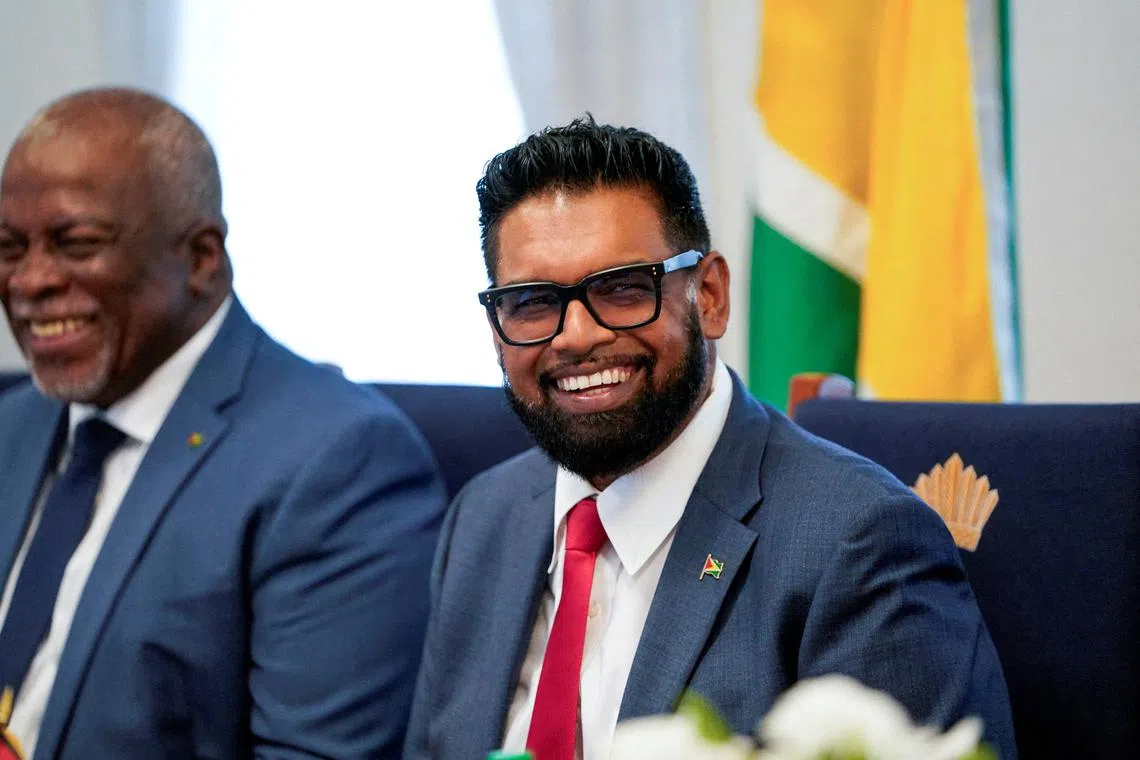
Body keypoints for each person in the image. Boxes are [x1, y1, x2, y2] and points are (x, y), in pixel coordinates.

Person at [404, 117, 1017, 760]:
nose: (576, 335)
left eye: (621, 289)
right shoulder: (483, 518)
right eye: (532, 301)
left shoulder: (856, 542)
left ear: (712, 297)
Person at [0, 88, 446, 759]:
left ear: (202, 258)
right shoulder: (12, 426)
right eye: (9, 248)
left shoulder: (339, 461)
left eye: (77, 244)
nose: (30, 281)